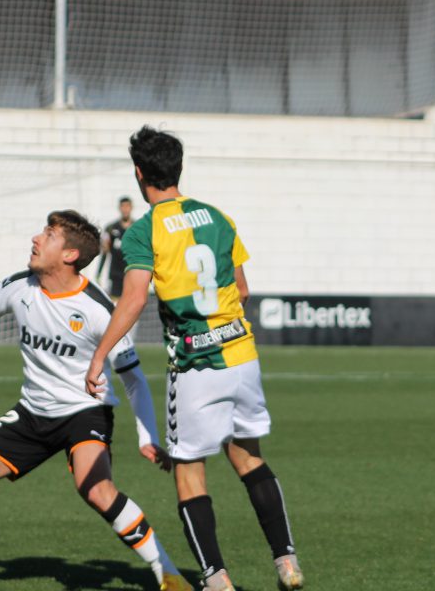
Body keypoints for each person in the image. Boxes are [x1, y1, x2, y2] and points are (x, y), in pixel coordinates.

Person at [0, 211, 190, 591]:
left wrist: (147, 436)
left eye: (48, 235)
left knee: (96, 489)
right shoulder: (21, 285)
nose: (35, 238)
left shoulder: (99, 310)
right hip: (32, 413)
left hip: (84, 412)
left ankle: (168, 574)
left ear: (69, 255)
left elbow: (133, 378)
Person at [86, 127, 303, 591]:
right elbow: (242, 289)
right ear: (178, 169)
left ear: (140, 174)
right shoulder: (217, 217)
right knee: (249, 460)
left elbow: (133, 299)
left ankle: (215, 578)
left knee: (189, 472)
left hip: (195, 365)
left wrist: (99, 354)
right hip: (241, 356)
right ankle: (286, 561)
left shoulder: (144, 230)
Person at [97, 196, 135, 298]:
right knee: (115, 305)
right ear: (119, 208)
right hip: (116, 274)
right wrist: (98, 273)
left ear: (131, 207)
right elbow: (105, 252)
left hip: (133, 274)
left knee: (132, 304)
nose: (125, 209)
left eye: (127, 206)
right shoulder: (111, 228)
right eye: (123, 206)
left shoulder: (137, 227)